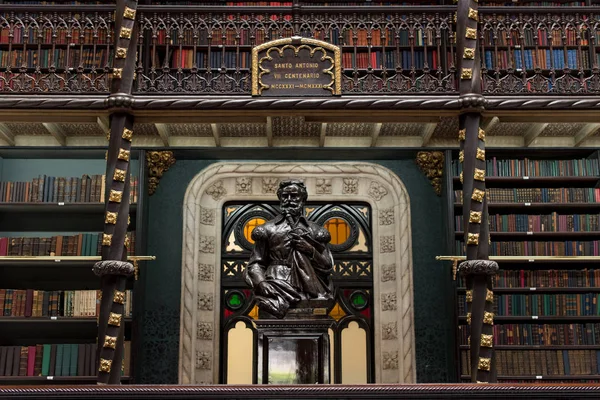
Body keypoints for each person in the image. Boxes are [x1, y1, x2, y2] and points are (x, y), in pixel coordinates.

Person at [244, 180, 334, 318]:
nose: (289, 200)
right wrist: (261, 282)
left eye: (294, 196)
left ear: (303, 199)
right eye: (285, 196)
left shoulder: (315, 231)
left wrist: (310, 250)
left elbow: (327, 265)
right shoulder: (268, 229)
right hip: (276, 282)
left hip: (308, 286)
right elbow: (256, 263)